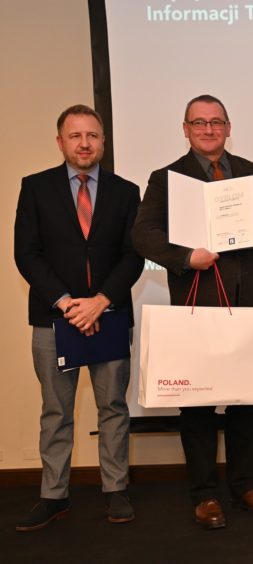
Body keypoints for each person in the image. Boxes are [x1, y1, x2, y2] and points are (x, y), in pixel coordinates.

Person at [132, 94, 253, 529]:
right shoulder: (166, 178)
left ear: (228, 128)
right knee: (198, 406)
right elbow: (143, 234)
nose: (208, 130)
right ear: (185, 129)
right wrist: (187, 257)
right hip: (198, 304)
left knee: (246, 402)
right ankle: (205, 494)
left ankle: (245, 486)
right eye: (199, 123)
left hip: (250, 305)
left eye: (216, 122)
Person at [14, 104, 144, 531]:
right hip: (54, 318)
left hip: (110, 314)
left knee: (113, 408)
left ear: (103, 142)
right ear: (60, 142)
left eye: (92, 135)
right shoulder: (35, 188)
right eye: (75, 135)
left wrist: (100, 301)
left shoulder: (126, 192)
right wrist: (68, 303)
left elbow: (133, 255)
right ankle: (54, 496)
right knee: (56, 411)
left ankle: (116, 490)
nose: (84, 143)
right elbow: (26, 253)